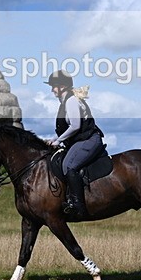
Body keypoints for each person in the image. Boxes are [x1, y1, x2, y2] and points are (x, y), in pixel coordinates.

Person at [45, 70, 105, 217]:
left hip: (89, 140)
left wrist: (58, 141)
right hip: (80, 140)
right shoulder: (65, 102)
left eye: (54, 86)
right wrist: (54, 139)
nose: (52, 89)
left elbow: (75, 126)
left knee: (69, 165)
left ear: (63, 86)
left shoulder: (71, 101)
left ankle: (77, 204)